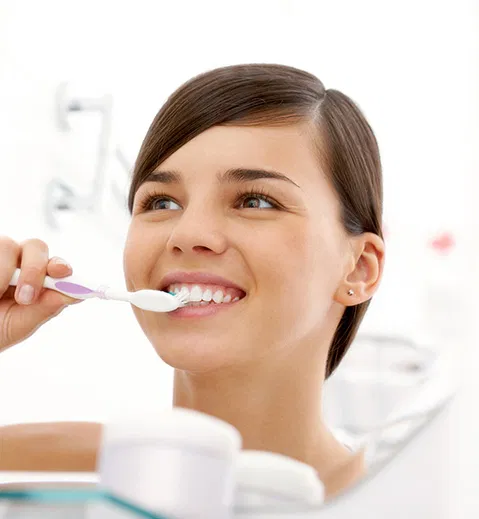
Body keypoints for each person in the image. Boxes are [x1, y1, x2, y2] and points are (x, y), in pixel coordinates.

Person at [0, 63, 385, 499]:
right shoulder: (47, 470)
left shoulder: (415, 498)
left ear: (359, 267)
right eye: (161, 201)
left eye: (255, 201)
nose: (187, 234)